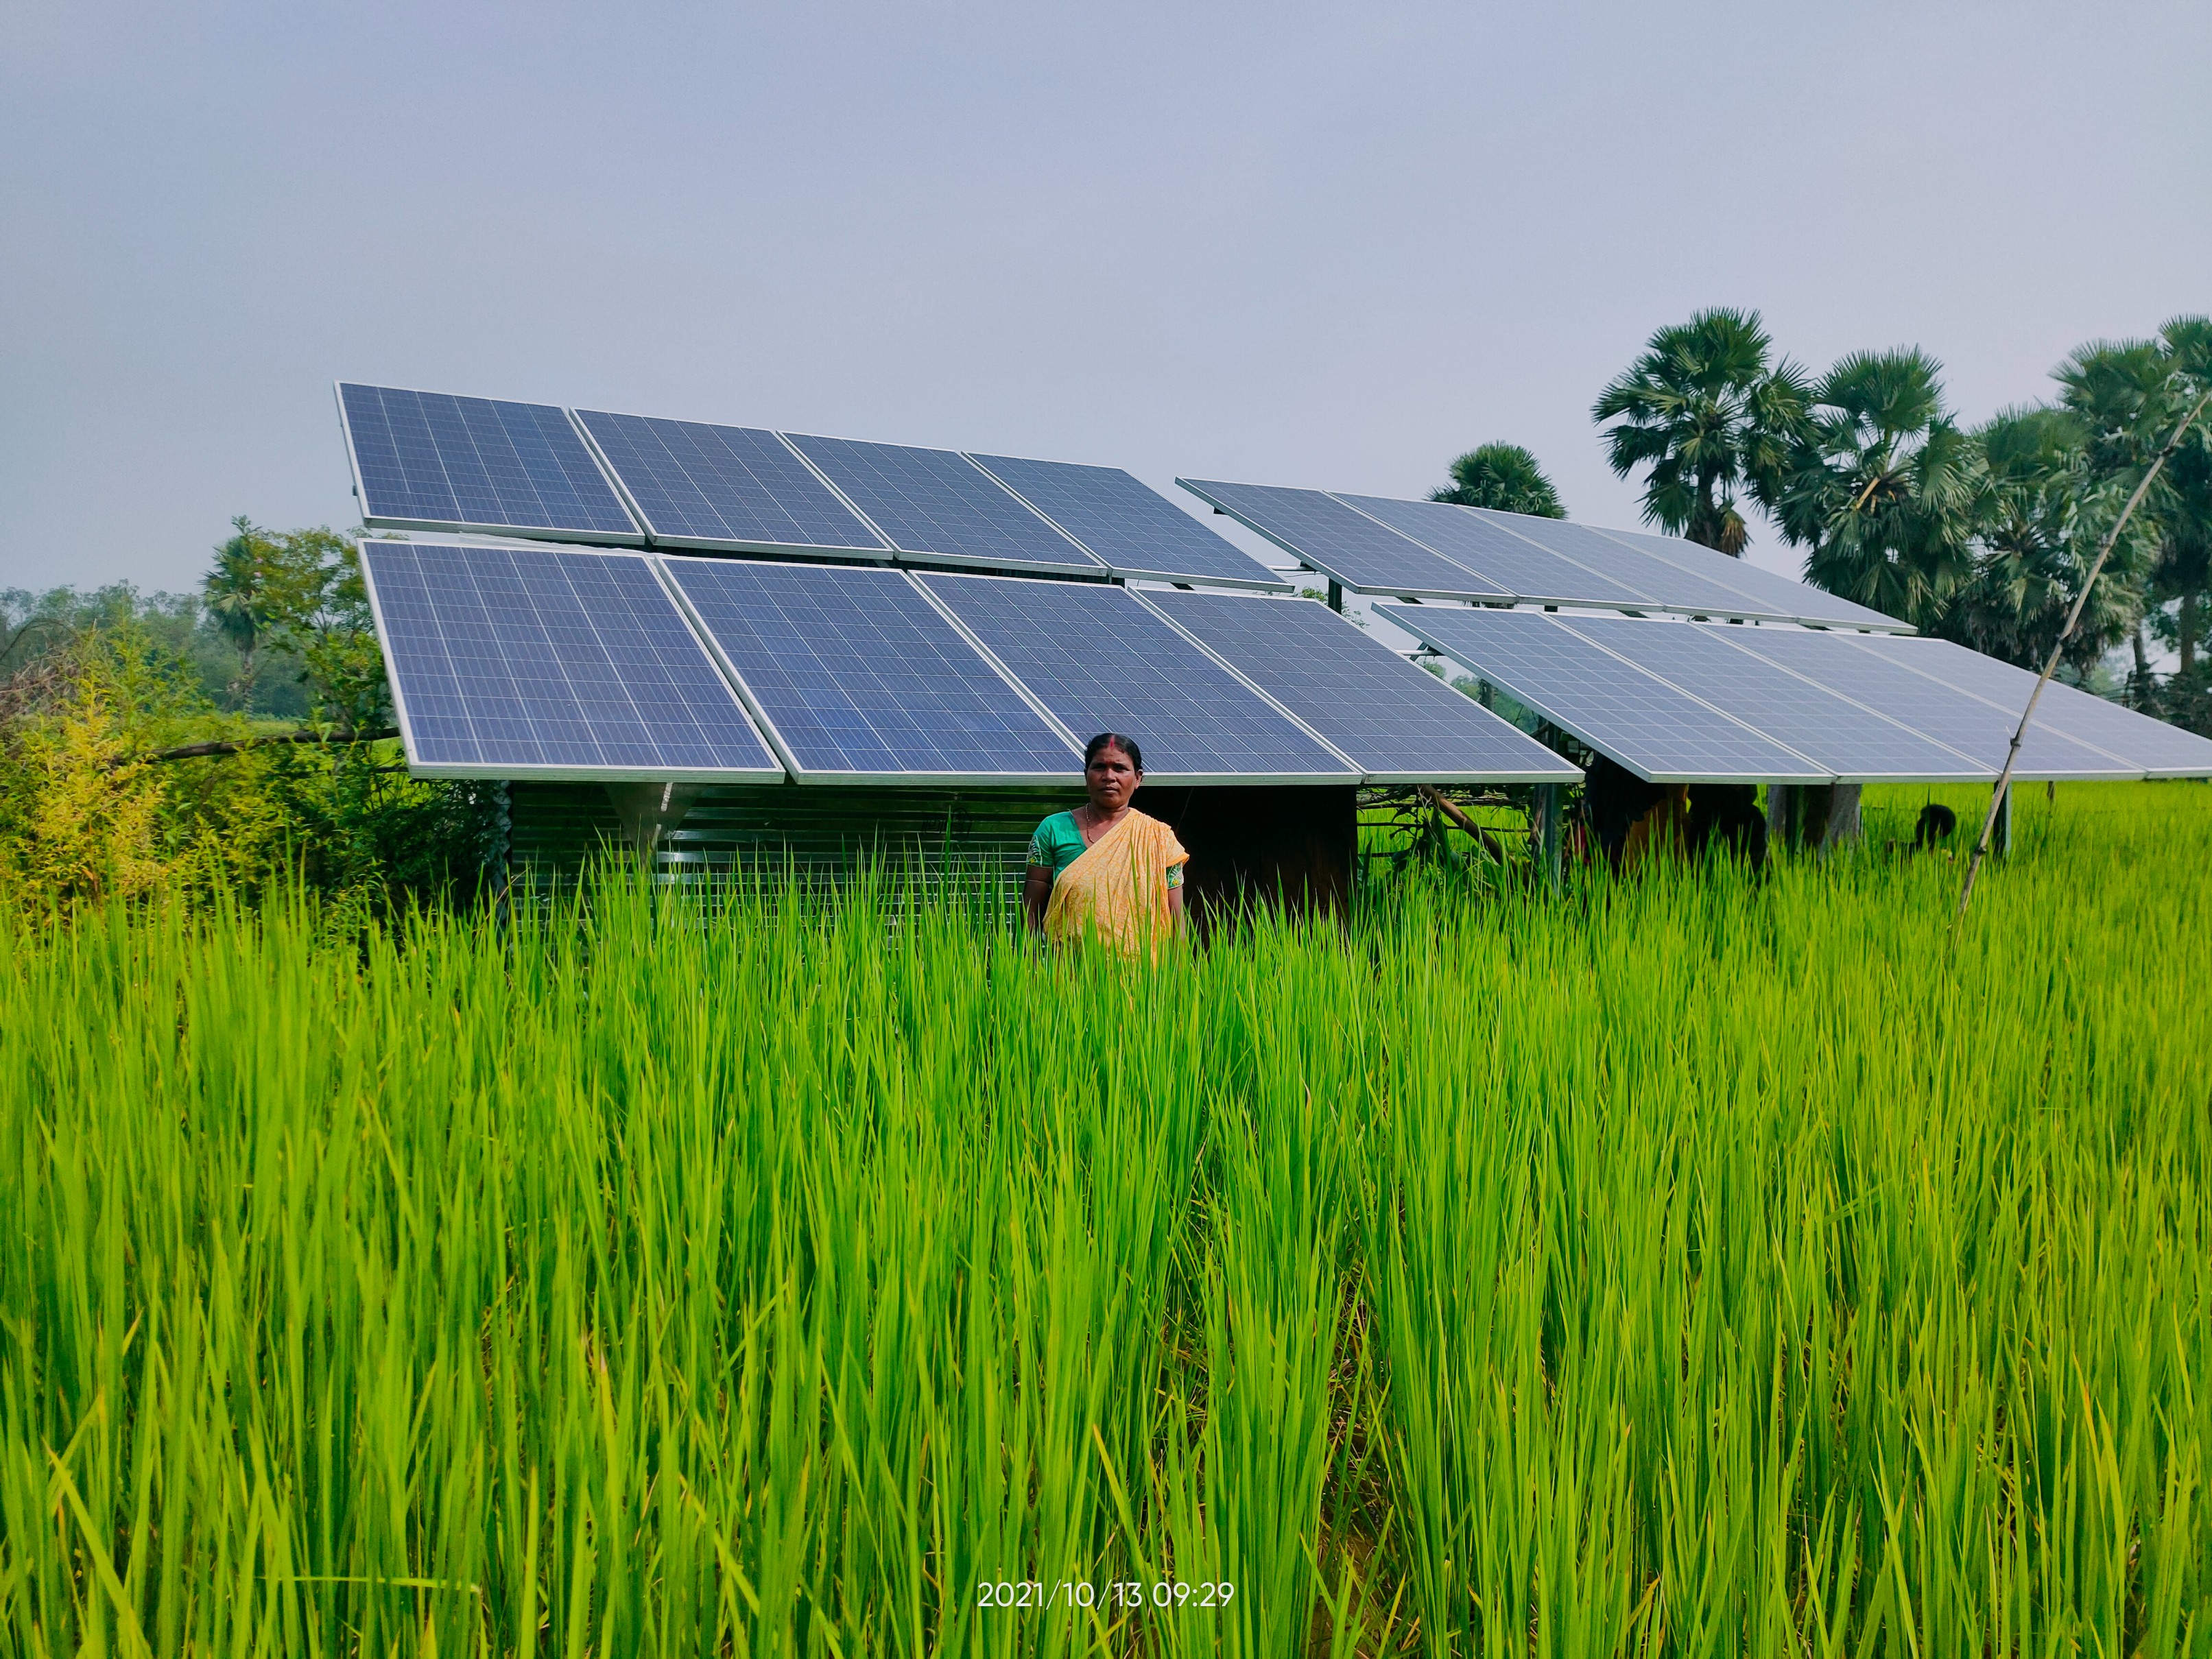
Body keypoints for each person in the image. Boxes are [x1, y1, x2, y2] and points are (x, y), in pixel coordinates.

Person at [1023, 732, 1189, 951]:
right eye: (1100, 767)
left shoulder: (1160, 839)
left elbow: (1177, 923)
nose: (1109, 776)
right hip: (1069, 973)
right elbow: (1030, 916)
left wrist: (1180, 978)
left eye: (1120, 768)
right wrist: (1028, 969)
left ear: (1138, 778)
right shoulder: (1053, 829)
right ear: (1086, 775)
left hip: (1141, 976)